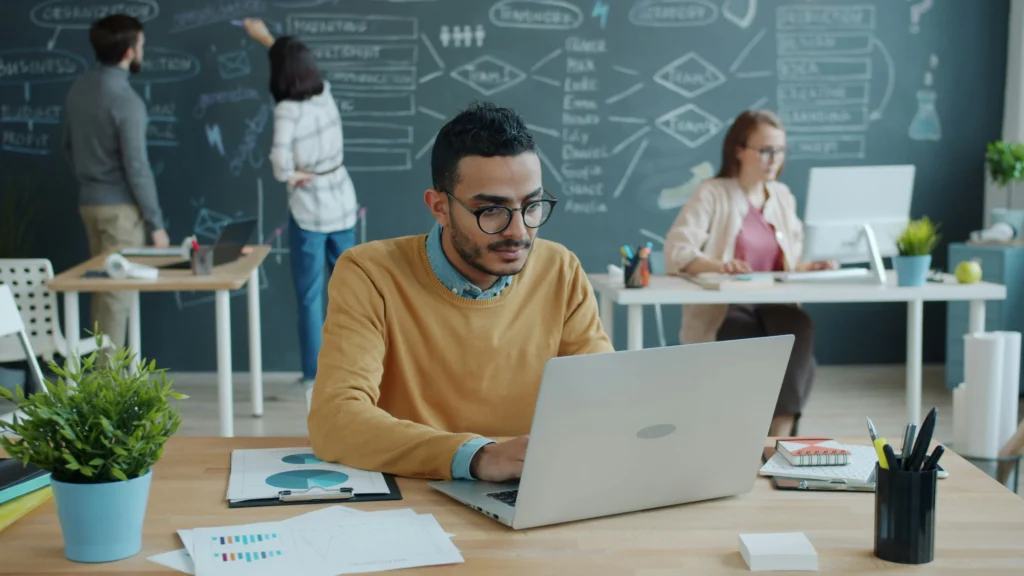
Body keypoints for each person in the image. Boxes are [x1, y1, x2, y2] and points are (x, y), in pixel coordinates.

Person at [307, 102, 613, 481]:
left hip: (531, 488)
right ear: (439, 207)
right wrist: (477, 457)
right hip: (414, 494)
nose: (519, 231)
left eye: (532, 206)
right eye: (492, 211)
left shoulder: (560, 270)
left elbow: (604, 395)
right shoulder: (369, 274)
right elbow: (335, 420)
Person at [663, 110, 836, 437]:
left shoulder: (782, 197)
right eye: (766, 150)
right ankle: (748, 436)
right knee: (745, 336)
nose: (774, 160)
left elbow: (785, 262)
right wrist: (719, 266)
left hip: (773, 304)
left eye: (780, 151)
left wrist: (810, 266)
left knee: (799, 325)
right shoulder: (713, 193)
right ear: (740, 150)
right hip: (727, 308)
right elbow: (677, 252)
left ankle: (778, 434)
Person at [242, 19, 359, 390]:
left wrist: (291, 175)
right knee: (353, 292)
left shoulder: (287, 110)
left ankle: (314, 375)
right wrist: (266, 38)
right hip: (341, 199)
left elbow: (279, 162)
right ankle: (355, 370)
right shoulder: (324, 92)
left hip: (309, 208)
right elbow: (290, 58)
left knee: (310, 296)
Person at [62, 14, 168, 350]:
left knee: (104, 291)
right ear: (128, 52)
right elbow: (137, 167)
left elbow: (66, 144)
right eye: (141, 45)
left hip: (88, 204)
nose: (142, 52)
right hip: (119, 211)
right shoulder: (127, 102)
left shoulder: (79, 88)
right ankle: (109, 391)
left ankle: (104, 383)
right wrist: (156, 224)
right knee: (115, 298)